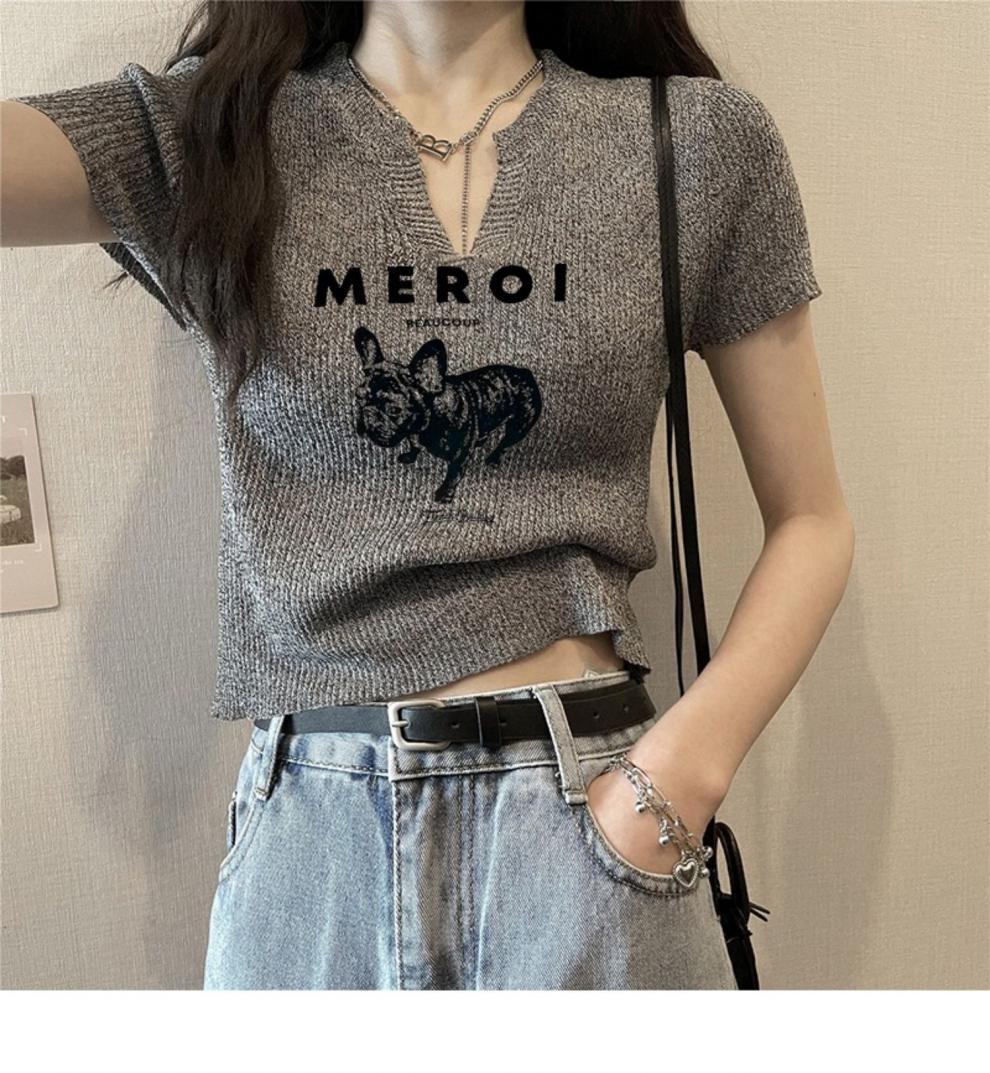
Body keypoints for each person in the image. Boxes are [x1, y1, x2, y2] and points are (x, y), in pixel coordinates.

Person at [1, 0, 854, 990]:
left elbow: (812, 519)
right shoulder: (212, 135)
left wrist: (675, 780)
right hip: (316, 838)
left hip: (594, 823)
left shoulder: (693, 143)